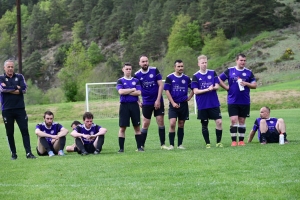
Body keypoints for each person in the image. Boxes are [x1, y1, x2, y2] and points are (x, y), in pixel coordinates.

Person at [0, 59, 36, 160]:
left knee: (24, 130)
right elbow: (3, 89)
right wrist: (16, 87)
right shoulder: (1, 78)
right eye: (8, 67)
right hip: (7, 109)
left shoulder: (20, 76)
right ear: (4, 68)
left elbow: (24, 89)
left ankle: (29, 153)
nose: (10, 68)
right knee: (9, 132)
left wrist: (10, 89)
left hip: (20, 109)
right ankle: (14, 154)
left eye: (12, 67)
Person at [219, 53, 257, 146]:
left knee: (242, 121)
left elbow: (254, 85)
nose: (243, 62)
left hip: (244, 101)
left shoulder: (249, 72)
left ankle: (241, 141)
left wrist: (246, 83)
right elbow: (219, 79)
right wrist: (226, 88)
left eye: (244, 60)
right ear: (236, 61)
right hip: (232, 100)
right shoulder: (230, 71)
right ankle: (233, 141)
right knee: (233, 120)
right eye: (241, 60)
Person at [134, 55, 168, 150]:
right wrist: (138, 101)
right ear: (139, 63)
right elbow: (135, 89)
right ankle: (141, 146)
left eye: (146, 61)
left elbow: (161, 85)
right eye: (143, 61)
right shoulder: (137, 75)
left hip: (158, 101)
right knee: (145, 123)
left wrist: (158, 100)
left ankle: (163, 144)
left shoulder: (154, 70)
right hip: (146, 102)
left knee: (160, 121)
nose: (145, 63)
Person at [191, 55, 223, 148]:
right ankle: (208, 143)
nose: (204, 64)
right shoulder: (195, 76)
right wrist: (207, 89)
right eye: (202, 63)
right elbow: (195, 91)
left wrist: (212, 87)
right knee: (205, 124)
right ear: (198, 64)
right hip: (202, 104)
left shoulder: (212, 73)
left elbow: (217, 86)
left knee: (219, 122)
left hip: (213, 103)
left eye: (205, 62)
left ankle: (218, 142)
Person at [164, 60, 194, 150]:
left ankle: (180, 144)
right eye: (179, 66)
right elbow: (167, 91)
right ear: (175, 67)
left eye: (182, 66)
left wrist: (189, 97)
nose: (181, 68)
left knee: (181, 124)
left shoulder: (186, 78)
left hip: (183, 104)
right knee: (172, 123)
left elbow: (194, 88)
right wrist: (173, 103)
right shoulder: (169, 77)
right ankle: (171, 145)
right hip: (173, 105)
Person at [116, 63, 143, 152]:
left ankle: (139, 147)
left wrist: (126, 91)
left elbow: (139, 93)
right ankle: (121, 149)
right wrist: (132, 89)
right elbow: (120, 92)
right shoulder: (120, 81)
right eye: (126, 69)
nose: (128, 70)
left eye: (130, 69)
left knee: (137, 127)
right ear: (123, 69)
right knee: (122, 127)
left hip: (134, 105)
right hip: (124, 106)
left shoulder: (136, 80)